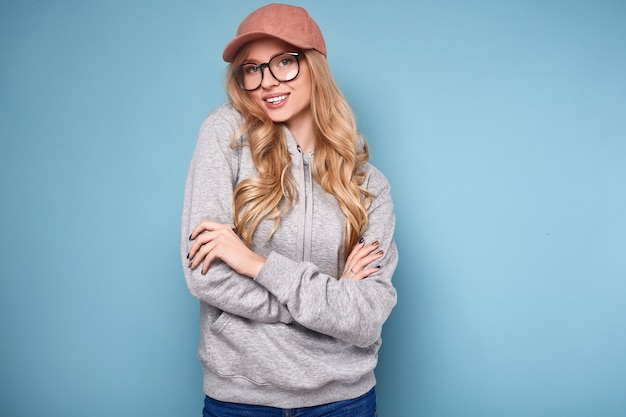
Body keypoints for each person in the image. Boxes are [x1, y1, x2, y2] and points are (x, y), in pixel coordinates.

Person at [180, 3, 398, 416]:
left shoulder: (368, 185)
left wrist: (253, 262)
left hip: (344, 400)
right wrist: (329, 301)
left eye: (284, 62)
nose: (267, 81)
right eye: (252, 68)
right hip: (242, 400)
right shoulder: (225, 135)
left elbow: (365, 319)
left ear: (314, 66)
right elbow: (205, 277)